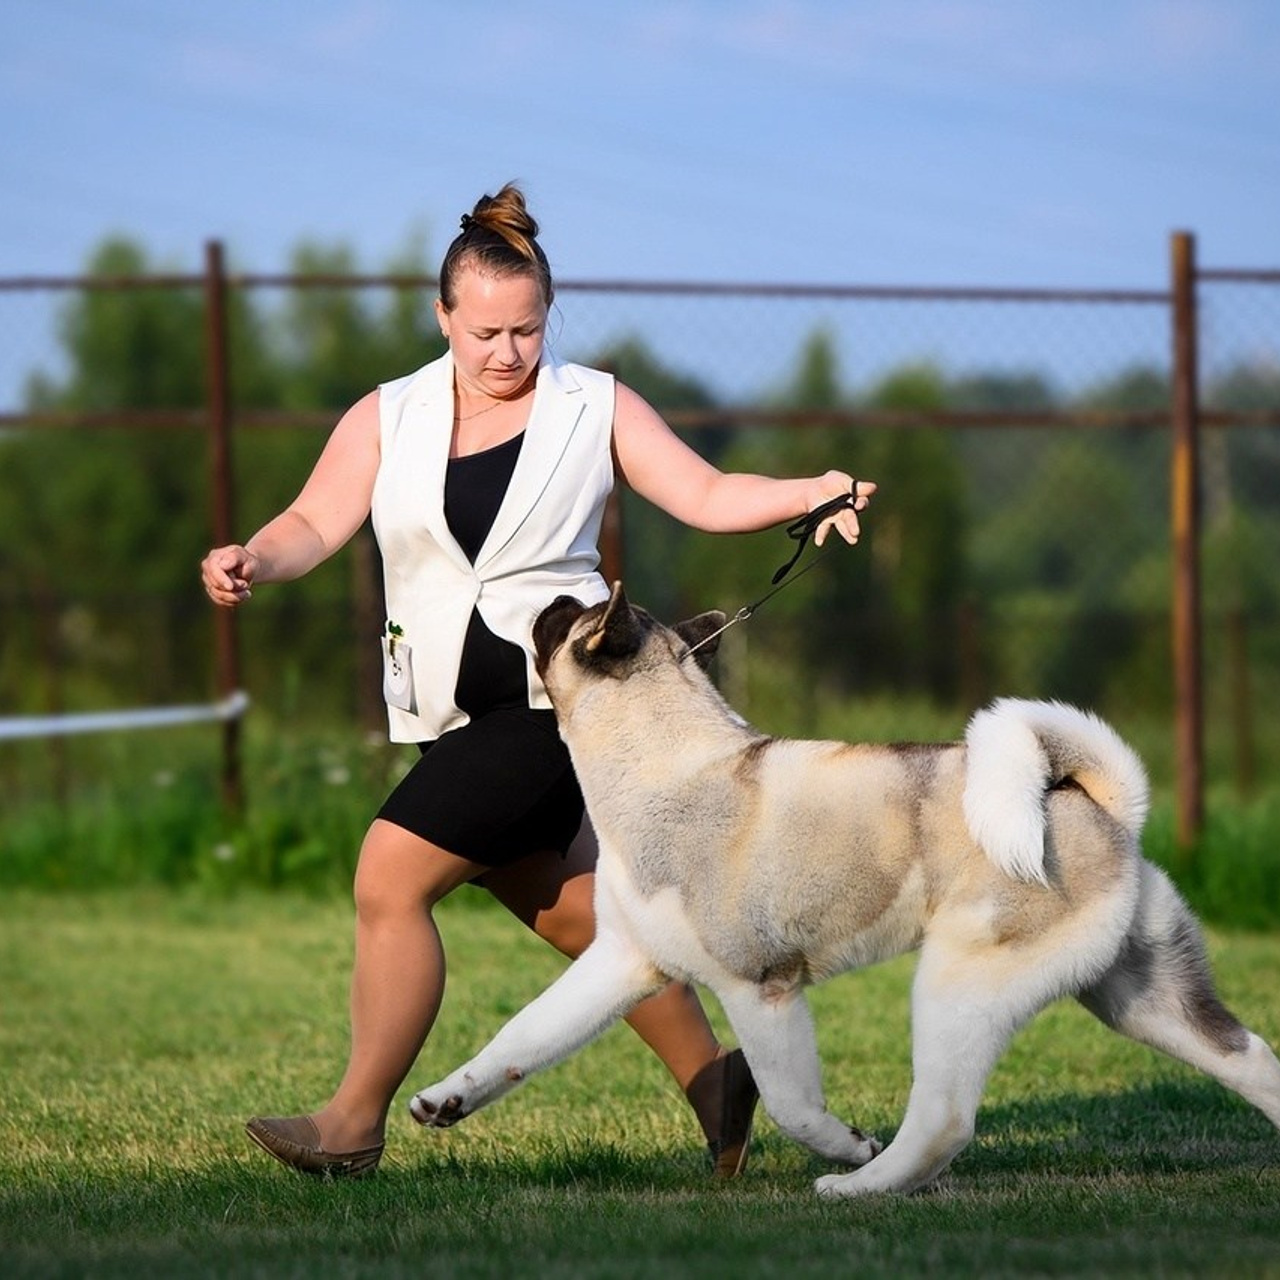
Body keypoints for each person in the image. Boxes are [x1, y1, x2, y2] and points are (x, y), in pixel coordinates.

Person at [201, 182, 875, 1180]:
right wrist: (253, 554)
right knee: (580, 915)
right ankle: (717, 1079)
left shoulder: (592, 405)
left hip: (553, 708)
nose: (506, 351)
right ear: (442, 317)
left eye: (525, 328)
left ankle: (349, 1123)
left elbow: (702, 489)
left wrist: (809, 489)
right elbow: (312, 519)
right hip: (444, 713)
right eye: (483, 331)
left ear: (546, 316)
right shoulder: (389, 414)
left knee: (387, 876)